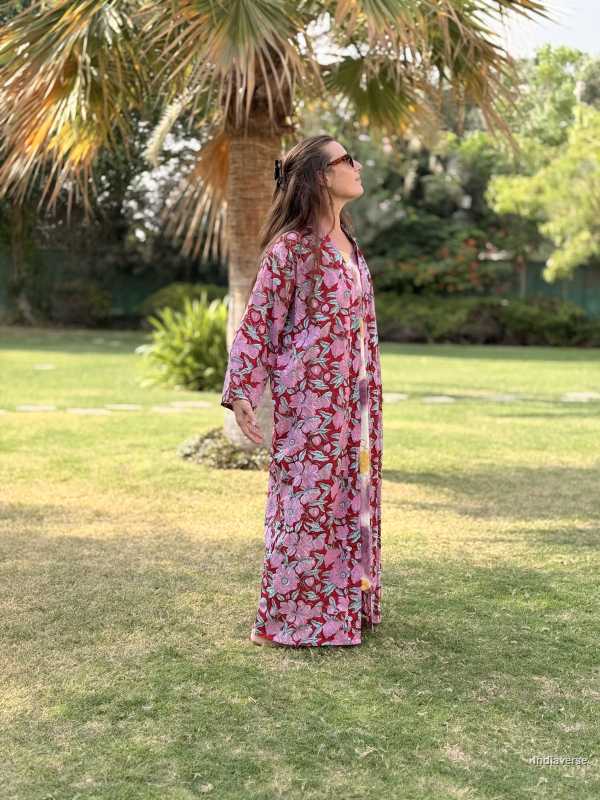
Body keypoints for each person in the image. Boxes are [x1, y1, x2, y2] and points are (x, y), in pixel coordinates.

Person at [221, 135, 383, 648]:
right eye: (345, 160)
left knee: (349, 501)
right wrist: (244, 391)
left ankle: (342, 612)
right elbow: (258, 324)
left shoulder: (349, 246)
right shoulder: (290, 249)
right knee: (305, 505)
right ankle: (285, 621)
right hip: (309, 405)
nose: (356, 166)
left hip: (355, 402)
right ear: (320, 176)